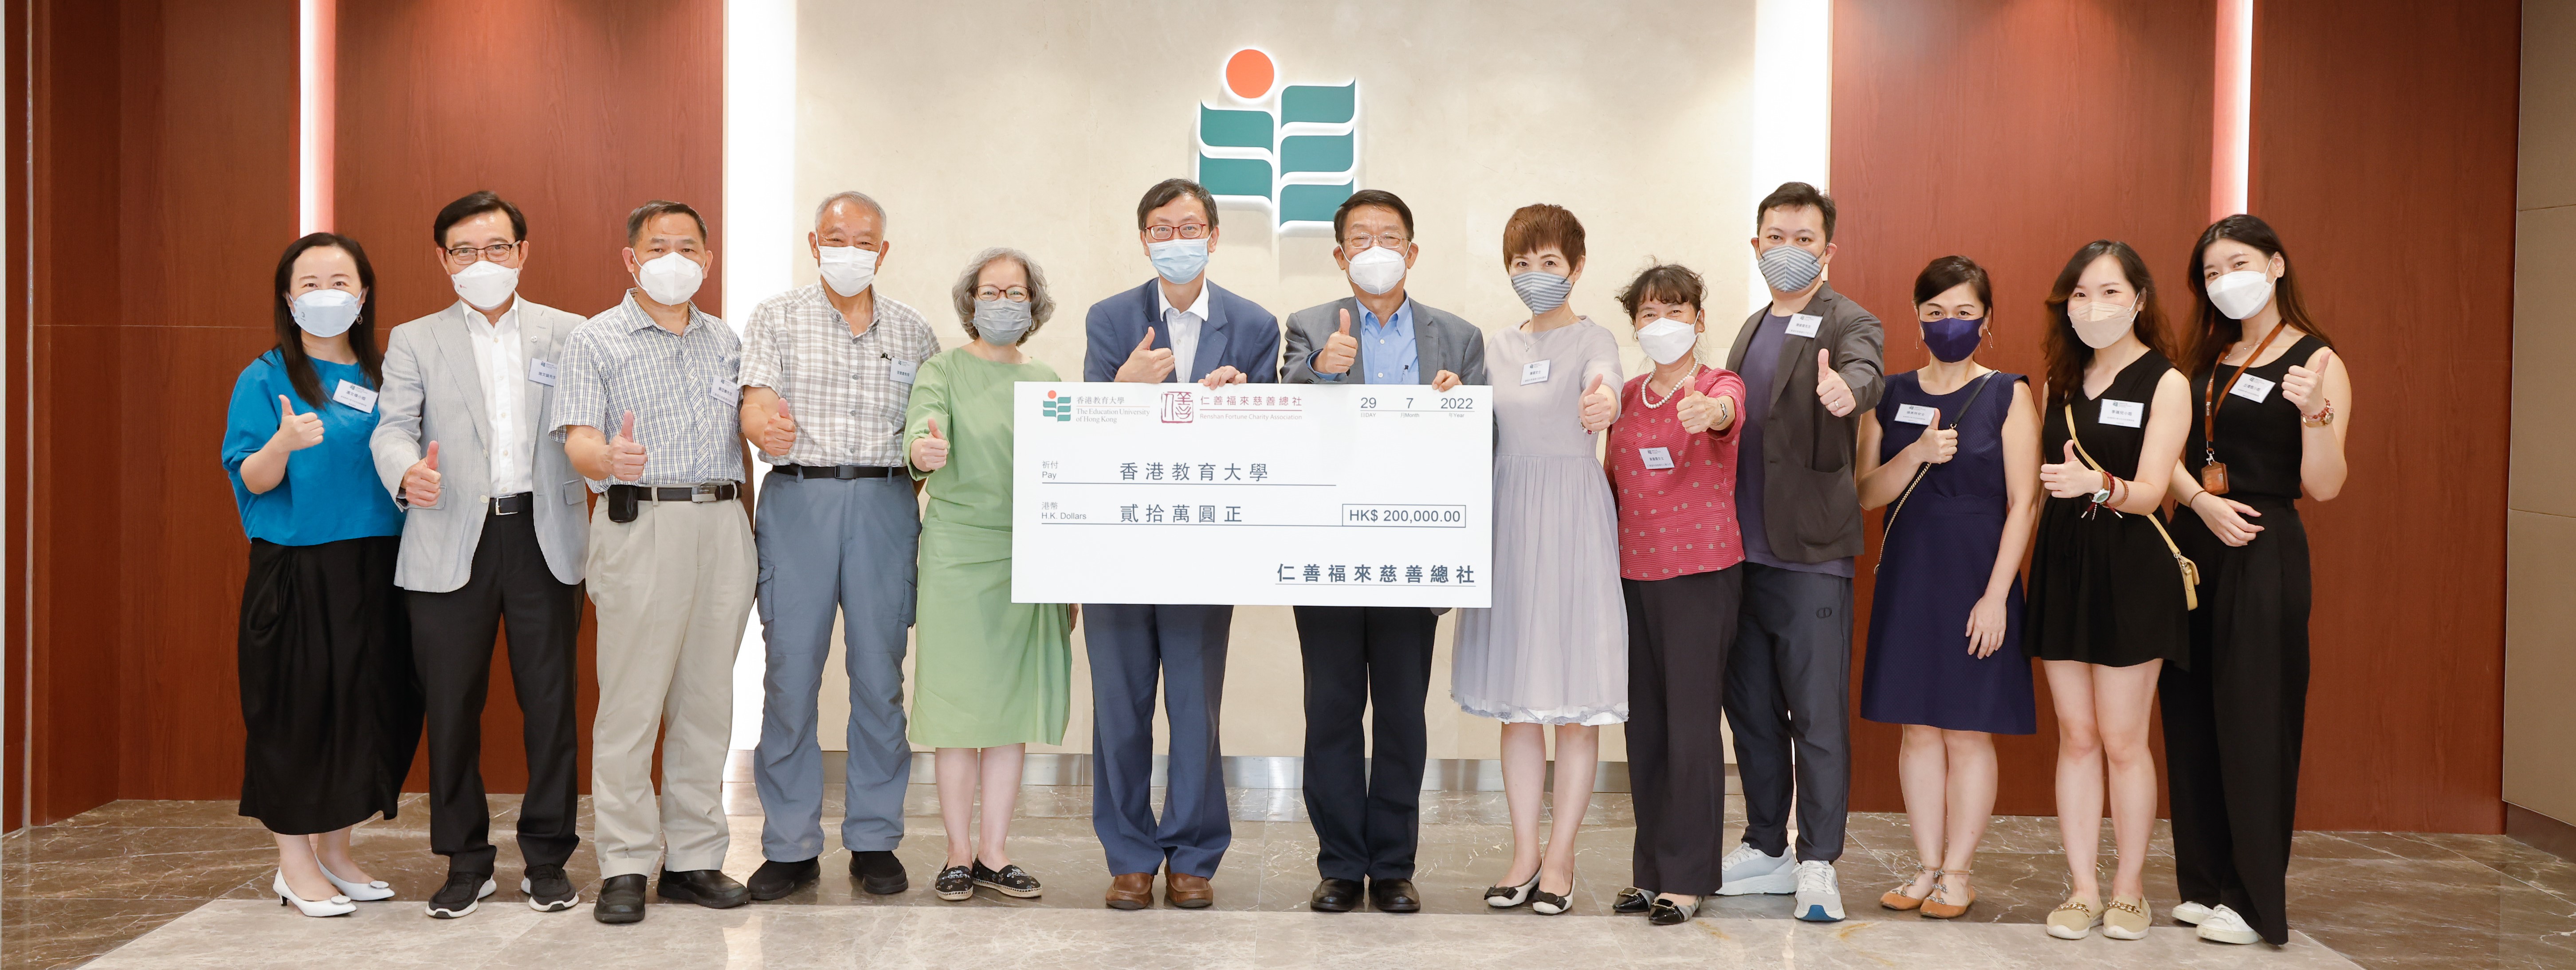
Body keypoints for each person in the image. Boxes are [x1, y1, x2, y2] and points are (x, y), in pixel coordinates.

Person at [370, 192, 588, 919]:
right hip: (448, 534)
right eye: (464, 250)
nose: (481, 261)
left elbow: (586, 426)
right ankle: (465, 861)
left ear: (522, 252)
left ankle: (548, 859)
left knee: (551, 705)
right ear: (444, 260)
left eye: (496, 247)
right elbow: (391, 426)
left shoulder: (570, 332)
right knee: (451, 707)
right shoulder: (415, 339)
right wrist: (406, 471)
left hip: (542, 536)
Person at [1280, 188, 1488, 915]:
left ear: (1413, 251)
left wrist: (1461, 408)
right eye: (1361, 238)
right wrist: (1321, 370)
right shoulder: (1308, 327)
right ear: (1341, 255)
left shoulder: (1458, 337)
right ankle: (1341, 864)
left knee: (1402, 715)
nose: (1377, 249)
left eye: (1390, 237)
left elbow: (1486, 440)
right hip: (1328, 549)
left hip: (1414, 550)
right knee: (1332, 711)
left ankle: (1394, 864)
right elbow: (1282, 416)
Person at [553, 200, 755, 925]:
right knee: (632, 704)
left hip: (722, 524)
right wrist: (607, 458)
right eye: (658, 245)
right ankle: (627, 863)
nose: (675, 259)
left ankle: (695, 858)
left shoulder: (726, 341)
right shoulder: (595, 339)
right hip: (641, 521)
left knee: (707, 701)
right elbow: (577, 440)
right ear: (631, 259)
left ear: (707, 259)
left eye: (688, 247)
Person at [1079, 178, 1278, 911]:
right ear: (1143, 240)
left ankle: (1193, 855)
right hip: (1118, 541)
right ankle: (1130, 856)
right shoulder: (1111, 318)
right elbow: (1085, 433)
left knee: (1195, 708)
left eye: (1190, 227)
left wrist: (1244, 399)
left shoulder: (1254, 324)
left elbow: (1275, 435)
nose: (1176, 240)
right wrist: (1120, 387)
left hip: (1205, 545)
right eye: (1161, 228)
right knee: (1119, 707)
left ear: (1214, 237)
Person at [735, 191, 939, 903]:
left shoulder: (914, 331)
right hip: (801, 499)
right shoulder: (776, 317)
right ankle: (790, 845)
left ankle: (875, 838)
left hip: (886, 502)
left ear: (883, 251)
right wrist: (765, 428)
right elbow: (757, 402)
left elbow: (928, 427)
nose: (848, 249)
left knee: (880, 677)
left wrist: (916, 466)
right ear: (813, 243)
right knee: (790, 675)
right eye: (834, 237)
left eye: (862, 240)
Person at [2159, 215, 2351, 947]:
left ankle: (2252, 899)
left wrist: (2315, 413)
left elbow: (2326, 485)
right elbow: (2164, 457)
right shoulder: (2204, 360)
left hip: (2263, 546)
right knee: (2190, 714)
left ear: (2275, 265)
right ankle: (2205, 885)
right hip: (2195, 539)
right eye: (2211, 273)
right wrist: (2200, 503)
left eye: (2237, 264)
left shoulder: (2316, 359)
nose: (2224, 281)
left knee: (2255, 719)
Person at [222, 232, 419, 917]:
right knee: (295, 713)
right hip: (299, 565)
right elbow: (251, 477)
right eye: (310, 283)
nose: (326, 294)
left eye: (341, 282)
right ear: (288, 298)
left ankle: (336, 851)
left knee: (369, 710)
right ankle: (294, 862)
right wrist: (282, 443)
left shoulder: (387, 374)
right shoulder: (265, 376)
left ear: (364, 296)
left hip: (380, 563)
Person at [1714, 182, 1885, 922]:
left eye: (1804, 239)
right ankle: (1766, 845)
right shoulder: (1750, 326)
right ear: (1757, 246)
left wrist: (1849, 393)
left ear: (1828, 249)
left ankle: (1818, 859)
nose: (1789, 250)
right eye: (1776, 238)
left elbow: (1865, 372)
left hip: (1810, 554)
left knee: (1815, 716)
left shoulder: (1850, 320)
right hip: (1739, 554)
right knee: (1752, 712)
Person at [1853, 256, 2040, 921]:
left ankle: (1959, 872)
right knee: (1918, 730)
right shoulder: (1888, 393)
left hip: (1978, 578)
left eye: (1964, 312)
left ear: (1986, 320)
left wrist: (1997, 596)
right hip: (1910, 577)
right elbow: (1866, 494)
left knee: (1967, 732)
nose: (1949, 323)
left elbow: (2024, 503)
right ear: (1918, 319)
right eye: (1935, 312)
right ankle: (1927, 865)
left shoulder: (2008, 394)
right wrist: (1914, 456)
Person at [1455, 204, 1625, 916]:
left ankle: (1562, 857)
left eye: (1549, 262)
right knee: (1519, 704)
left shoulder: (1595, 338)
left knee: (1575, 706)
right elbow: (1471, 422)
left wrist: (1604, 401)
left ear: (1577, 267)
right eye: (1522, 263)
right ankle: (1524, 853)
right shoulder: (1494, 345)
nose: (1535, 274)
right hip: (1508, 518)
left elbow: (1607, 384)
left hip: (1574, 518)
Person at [2023, 240, 2191, 943]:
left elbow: (2153, 491)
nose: (2094, 307)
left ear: (2140, 300)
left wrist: (2098, 484)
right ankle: (2083, 889)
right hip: (2064, 564)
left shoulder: (2166, 382)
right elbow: (2037, 484)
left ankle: (2129, 890)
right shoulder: (2059, 381)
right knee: (2078, 736)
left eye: (2110, 292)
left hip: (2131, 567)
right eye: (2081, 295)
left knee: (2124, 740)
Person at [903, 247, 1072, 904]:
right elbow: (922, 430)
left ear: (1035, 303)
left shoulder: (1048, 379)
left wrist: (1066, 575)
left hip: (1030, 554)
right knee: (956, 708)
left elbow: (1065, 476)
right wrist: (924, 449)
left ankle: (994, 854)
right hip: (957, 553)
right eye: (991, 292)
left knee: (1008, 710)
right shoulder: (943, 370)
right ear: (970, 301)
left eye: (1016, 293)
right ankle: (956, 853)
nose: (1003, 303)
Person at [1602, 262, 1745, 927]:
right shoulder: (1628, 396)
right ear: (1635, 325)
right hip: (1633, 576)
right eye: (1649, 314)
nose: (1662, 324)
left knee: (1691, 729)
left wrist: (1711, 413)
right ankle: (1651, 871)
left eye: (1676, 311)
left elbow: (1728, 416)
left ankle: (1687, 879)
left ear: (1699, 319)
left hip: (1699, 577)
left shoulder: (1717, 384)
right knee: (1647, 731)